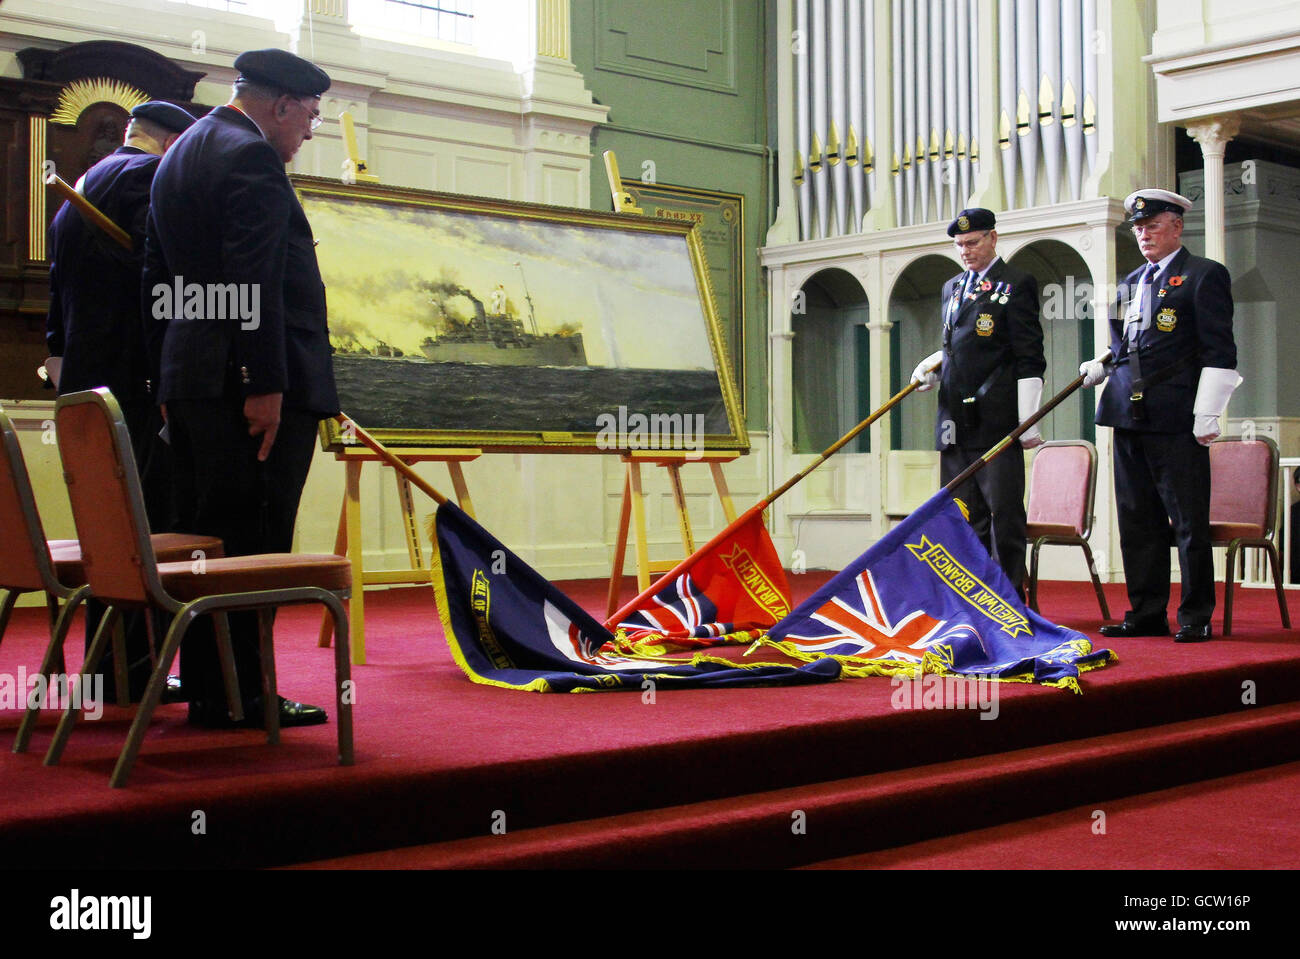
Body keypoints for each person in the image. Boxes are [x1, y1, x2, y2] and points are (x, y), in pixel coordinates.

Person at [144, 49, 339, 727]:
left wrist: (169, 373)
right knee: (254, 544)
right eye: (310, 116)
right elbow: (254, 281)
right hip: (247, 387)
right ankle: (244, 696)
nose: (310, 131)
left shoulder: (181, 151)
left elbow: (157, 279)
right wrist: (263, 383)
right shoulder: (249, 156)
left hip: (194, 379)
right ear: (281, 105)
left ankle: (211, 688)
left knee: (207, 544)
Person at [45, 100, 195, 703]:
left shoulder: (85, 185)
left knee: (110, 528)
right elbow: (160, 278)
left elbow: (61, 300)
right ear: (173, 143)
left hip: (85, 381)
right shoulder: (148, 177)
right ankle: (132, 669)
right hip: (136, 381)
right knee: (145, 529)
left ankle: (112, 668)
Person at [1081, 190, 1239, 642]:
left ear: (1176, 226)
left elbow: (1219, 349)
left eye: (1151, 226)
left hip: (1175, 414)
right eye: (1137, 228)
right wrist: (1103, 362)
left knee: (1187, 521)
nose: (1142, 234)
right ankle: (1147, 611)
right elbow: (1130, 343)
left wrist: (1208, 412)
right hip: (1127, 412)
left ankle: (1195, 615)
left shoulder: (1203, 275)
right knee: (1137, 518)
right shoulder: (1132, 280)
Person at [911, 208, 1046, 593]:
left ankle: (1006, 593)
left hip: (997, 420)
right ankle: (968, 593)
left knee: (1002, 512)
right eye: (959, 245)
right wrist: (935, 367)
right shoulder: (951, 287)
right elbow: (955, 346)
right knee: (960, 513)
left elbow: (1029, 356)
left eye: (972, 243)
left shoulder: (1016, 283)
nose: (966, 251)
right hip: (954, 417)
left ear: (992, 238)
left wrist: (1027, 420)